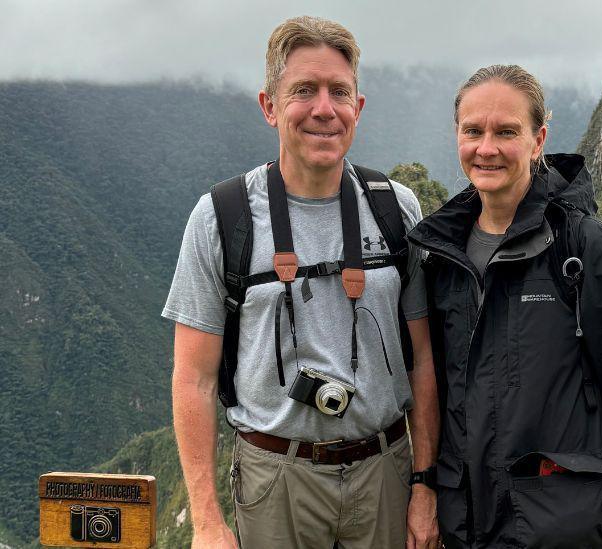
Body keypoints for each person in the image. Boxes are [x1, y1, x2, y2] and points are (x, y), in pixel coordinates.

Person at [164, 16, 439, 549]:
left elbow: (424, 359)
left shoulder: (395, 209)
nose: (323, 109)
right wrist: (205, 521)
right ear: (269, 106)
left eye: (339, 92)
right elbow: (192, 379)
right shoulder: (223, 216)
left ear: (358, 107)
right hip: (275, 476)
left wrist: (425, 486)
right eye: (303, 91)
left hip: (384, 471)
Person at [408, 64, 602, 548]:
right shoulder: (442, 255)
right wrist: (428, 490)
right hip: (465, 520)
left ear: (538, 139)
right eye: (473, 131)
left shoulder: (582, 248)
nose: (486, 148)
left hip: (557, 521)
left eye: (506, 131)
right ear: (458, 136)